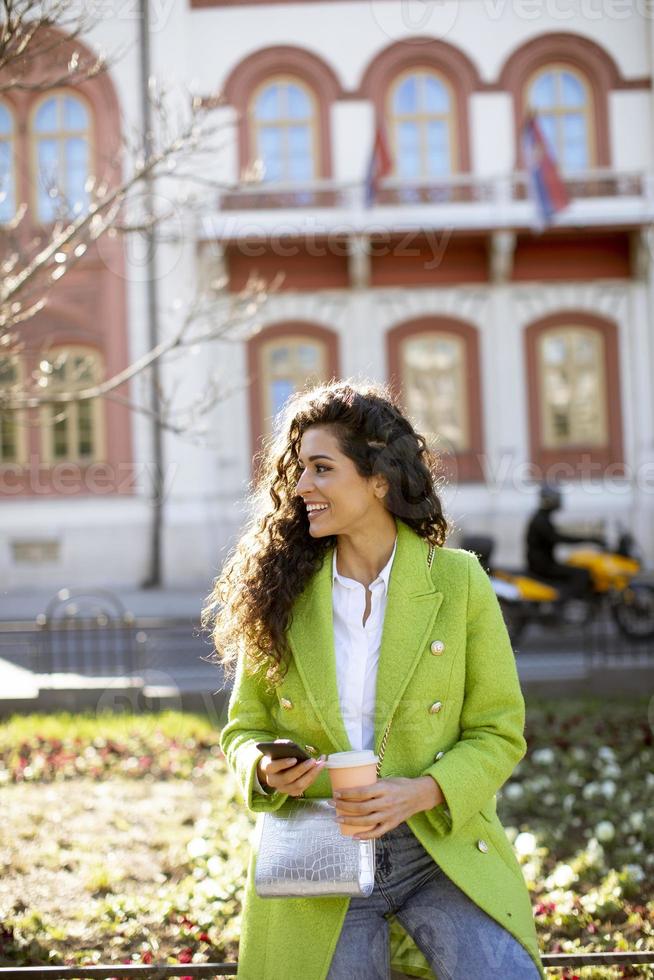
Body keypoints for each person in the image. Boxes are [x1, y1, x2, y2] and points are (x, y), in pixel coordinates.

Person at [204, 380, 545, 980]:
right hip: (319, 857)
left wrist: (424, 791)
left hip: (436, 848)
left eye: (320, 468)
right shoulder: (282, 594)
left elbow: (498, 730)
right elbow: (244, 729)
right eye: (299, 470)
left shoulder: (459, 581)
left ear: (378, 478)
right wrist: (263, 765)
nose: (301, 486)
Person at [525, 484, 605, 600]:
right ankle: (564, 602)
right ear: (550, 500)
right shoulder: (540, 521)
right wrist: (589, 539)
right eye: (557, 498)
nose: (559, 501)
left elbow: (561, 533)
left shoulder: (542, 517)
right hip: (543, 567)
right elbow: (559, 538)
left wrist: (589, 535)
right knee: (582, 573)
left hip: (542, 564)